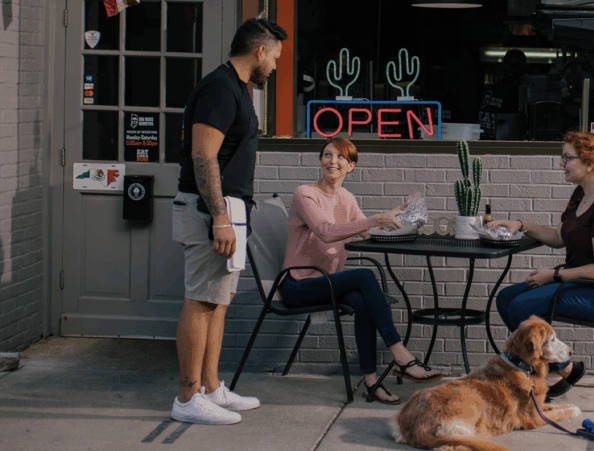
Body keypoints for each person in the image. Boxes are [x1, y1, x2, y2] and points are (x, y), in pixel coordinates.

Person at [171, 18, 287, 425]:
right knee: (200, 300)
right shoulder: (220, 90)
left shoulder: (240, 89)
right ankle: (187, 398)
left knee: (218, 302)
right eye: (274, 57)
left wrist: (230, 216)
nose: (274, 66)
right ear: (259, 51)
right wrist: (219, 217)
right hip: (209, 212)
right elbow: (204, 156)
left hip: (228, 213)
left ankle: (210, 387)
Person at [279, 137, 443, 405]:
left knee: (363, 300)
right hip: (297, 285)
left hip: (327, 283)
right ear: (320, 160)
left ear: (351, 166)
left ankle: (371, 382)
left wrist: (396, 219)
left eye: (340, 157)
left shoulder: (346, 197)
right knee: (365, 276)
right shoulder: (305, 194)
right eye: (327, 155)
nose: (333, 162)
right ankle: (400, 353)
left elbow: (365, 230)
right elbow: (326, 231)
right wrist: (376, 219)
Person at [488, 131, 594, 398]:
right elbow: (559, 238)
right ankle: (564, 367)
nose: (561, 163)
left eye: (567, 158)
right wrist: (521, 226)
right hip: (585, 284)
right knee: (505, 299)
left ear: (589, 163)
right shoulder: (581, 194)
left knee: (522, 306)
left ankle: (547, 372)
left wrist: (554, 275)